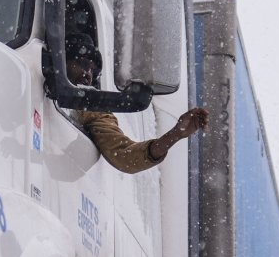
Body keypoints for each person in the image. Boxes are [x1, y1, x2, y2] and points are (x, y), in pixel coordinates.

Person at [64, 39, 207, 172]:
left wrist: (175, 134)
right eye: (83, 64)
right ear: (62, 62)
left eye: (92, 70)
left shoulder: (92, 108)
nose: (88, 74)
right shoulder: (46, 84)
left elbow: (126, 156)